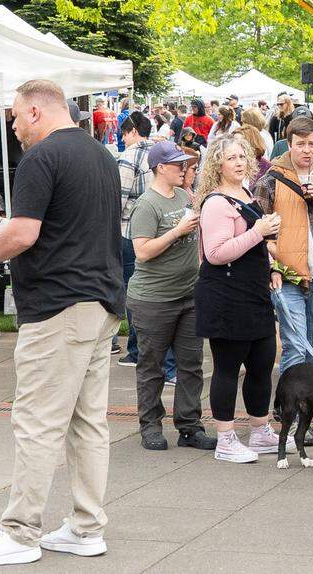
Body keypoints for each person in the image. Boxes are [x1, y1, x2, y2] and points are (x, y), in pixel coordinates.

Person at [0, 80, 124, 567]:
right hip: (101, 301)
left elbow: (25, 232)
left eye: (12, 116)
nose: (10, 125)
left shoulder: (42, 158)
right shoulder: (101, 156)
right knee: (88, 422)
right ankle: (86, 527)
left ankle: (20, 532)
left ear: (33, 111)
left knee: (37, 423)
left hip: (59, 306)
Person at [195, 136, 282, 463]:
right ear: (218, 164)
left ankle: (260, 430)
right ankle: (226, 438)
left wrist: (272, 267)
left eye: (242, 156)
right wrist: (257, 232)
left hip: (254, 291)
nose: (239, 162)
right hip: (225, 295)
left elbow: (255, 247)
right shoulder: (217, 203)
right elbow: (215, 254)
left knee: (262, 362)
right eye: (231, 158)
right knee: (228, 368)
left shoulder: (246, 193)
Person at [127, 142, 215, 452]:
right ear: (160, 167)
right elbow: (142, 251)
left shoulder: (184, 196)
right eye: (178, 164)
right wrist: (176, 232)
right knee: (152, 367)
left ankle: (190, 427)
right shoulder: (146, 205)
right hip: (153, 300)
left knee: (191, 364)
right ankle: (150, 426)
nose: (184, 169)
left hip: (189, 295)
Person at [255, 117, 313, 375]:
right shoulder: (271, 179)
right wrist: (272, 267)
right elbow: (257, 232)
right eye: (301, 144)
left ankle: (307, 401)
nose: (307, 150)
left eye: (312, 144)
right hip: (288, 276)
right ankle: (288, 407)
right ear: (289, 144)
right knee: (295, 347)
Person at [115, 111, 154, 365]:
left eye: (123, 134)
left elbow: (118, 197)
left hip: (129, 231)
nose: (123, 139)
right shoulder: (162, 149)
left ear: (131, 131)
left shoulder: (129, 156)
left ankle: (137, 349)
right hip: (158, 231)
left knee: (134, 291)